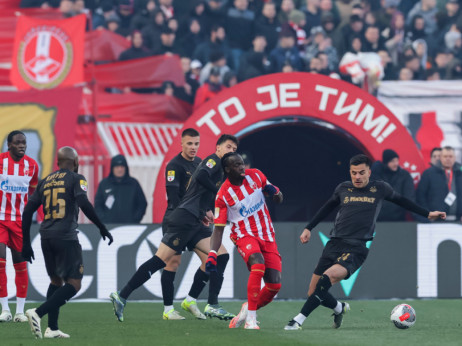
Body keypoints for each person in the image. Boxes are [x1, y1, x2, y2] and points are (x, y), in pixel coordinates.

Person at [284, 154, 446, 331]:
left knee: (327, 277)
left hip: (356, 247)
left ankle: (297, 321)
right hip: (333, 244)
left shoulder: (380, 188)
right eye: (354, 173)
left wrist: (427, 213)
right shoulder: (343, 188)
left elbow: (402, 201)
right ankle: (339, 308)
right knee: (312, 293)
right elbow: (327, 207)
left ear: (369, 171)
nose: (357, 177)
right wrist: (309, 227)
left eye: (361, 172)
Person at [110, 134, 239, 322]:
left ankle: (208, 303)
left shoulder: (216, 166)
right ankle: (122, 295)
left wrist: (205, 210)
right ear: (218, 148)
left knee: (221, 255)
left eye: (234, 150)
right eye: (228, 147)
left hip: (195, 220)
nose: (231, 152)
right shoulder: (212, 161)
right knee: (161, 260)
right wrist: (216, 194)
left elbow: (199, 190)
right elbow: (202, 177)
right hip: (184, 219)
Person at [21, 146, 113, 339]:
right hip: (66, 237)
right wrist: (101, 227)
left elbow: (28, 211)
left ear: (58, 162)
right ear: (76, 162)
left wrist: (26, 243)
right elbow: (84, 203)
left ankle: (52, 329)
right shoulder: (76, 178)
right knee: (74, 284)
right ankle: (38, 313)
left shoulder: (45, 181)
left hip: (45, 237)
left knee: (56, 281)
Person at [208, 153, 283, 330]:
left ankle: (247, 308)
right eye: (236, 165)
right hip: (243, 235)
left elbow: (280, 198)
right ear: (227, 169)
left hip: (267, 234)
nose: (242, 167)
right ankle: (251, 319)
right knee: (258, 264)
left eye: (242, 164)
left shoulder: (256, 175)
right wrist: (212, 253)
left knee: (274, 285)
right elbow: (218, 229)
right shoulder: (222, 195)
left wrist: (276, 193)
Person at [160, 128, 207, 320]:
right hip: (178, 219)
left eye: (196, 143)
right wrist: (197, 212)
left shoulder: (200, 163)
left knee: (212, 259)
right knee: (173, 262)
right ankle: (168, 309)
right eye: (189, 143)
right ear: (181, 143)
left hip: (196, 219)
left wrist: (204, 211)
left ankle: (190, 300)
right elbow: (173, 198)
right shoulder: (174, 165)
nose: (193, 147)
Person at [0, 131, 39, 323]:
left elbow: (32, 191)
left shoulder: (32, 166)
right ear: (9, 145)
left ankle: (20, 312)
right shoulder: (0, 162)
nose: (22, 145)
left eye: (24, 142)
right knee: (0, 264)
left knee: (20, 265)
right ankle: (5, 309)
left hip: (19, 221)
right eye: (18, 143)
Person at [95, 154, 147, 224]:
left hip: (130, 227)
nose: (120, 169)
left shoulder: (134, 184)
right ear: (112, 168)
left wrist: (135, 220)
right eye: (117, 167)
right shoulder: (104, 184)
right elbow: (98, 204)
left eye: (122, 167)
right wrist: (104, 220)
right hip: (109, 227)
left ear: (126, 168)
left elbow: (142, 203)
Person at [417, 146, 462, 221]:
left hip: (458, 221)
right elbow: (421, 196)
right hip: (436, 221)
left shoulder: (460, 173)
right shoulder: (428, 173)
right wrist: (428, 214)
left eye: (450, 156)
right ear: (440, 158)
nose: (448, 159)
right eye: (445, 156)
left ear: (455, 158)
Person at [371, 149, 415, 221]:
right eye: (392, 161)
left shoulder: (404, 176)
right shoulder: (376, 175)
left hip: (398, 220)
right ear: (386, 162)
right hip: (379, 220)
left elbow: (409, 198)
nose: (396, 164)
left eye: (397, 160)